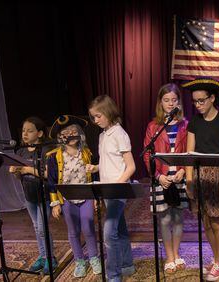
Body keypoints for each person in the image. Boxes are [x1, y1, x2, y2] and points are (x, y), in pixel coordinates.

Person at [181, 78, 219, 281]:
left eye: (201, 100)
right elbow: (190, 153)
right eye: (195, 101)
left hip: (218, 174)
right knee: (206, 221)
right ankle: (215, 258)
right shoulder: (194, 121)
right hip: (199, 174)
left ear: (212, 98)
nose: (198, 105)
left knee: (217, 221)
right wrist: (188, 180)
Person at [87, 95, 136, 281]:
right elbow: (109, 161)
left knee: (108, 234)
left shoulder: (120, 134)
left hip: (117, 189)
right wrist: (96, 167)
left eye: (98, 116)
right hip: (107, 189)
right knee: (119, 228)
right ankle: (127, 265)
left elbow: (131, 167)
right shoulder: (102, 135)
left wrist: (117, 185)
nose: (95, 120)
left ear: (108, 112)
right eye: (93, 117)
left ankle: (114, 276)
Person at [46, 115, 101, 277]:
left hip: (86, 197)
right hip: (67, 200)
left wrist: (96, 198)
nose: (70, 135)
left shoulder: (86, 152)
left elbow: (95, 177)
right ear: (60, 137)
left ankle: (94, 258)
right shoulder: (54, 157)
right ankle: (79, 261)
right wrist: (55, 203)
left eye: (73, 131)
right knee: (73, 231)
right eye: (65, 133)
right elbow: (51, 181)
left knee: (88, 228)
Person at [143, 83, 189, 274]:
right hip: (161, 177)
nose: (170, 104)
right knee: (164, 219)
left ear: (179, 102)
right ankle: (169, 256)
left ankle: (176, 254)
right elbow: (147, 154)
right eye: (166, 100)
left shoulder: (185, 124)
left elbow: (190, 151)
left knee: (178, 218)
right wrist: (157, 175)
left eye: (174, 100)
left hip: (179, 176)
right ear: (160, 103)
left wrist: (184, 171)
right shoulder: (153, 126)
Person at [8, 116, 57, 274]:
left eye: (30, 131)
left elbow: (48, 173)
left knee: (43, 228)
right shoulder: (21, 151)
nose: (25, 134)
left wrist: (28, 170)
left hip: (44, 195)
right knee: (36, 228)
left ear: (40, 133)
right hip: (29, 195)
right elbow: (19, 175)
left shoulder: (46, 150)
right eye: (23, 130)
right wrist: (16, 172)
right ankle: (43, 256)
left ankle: (51, 258)